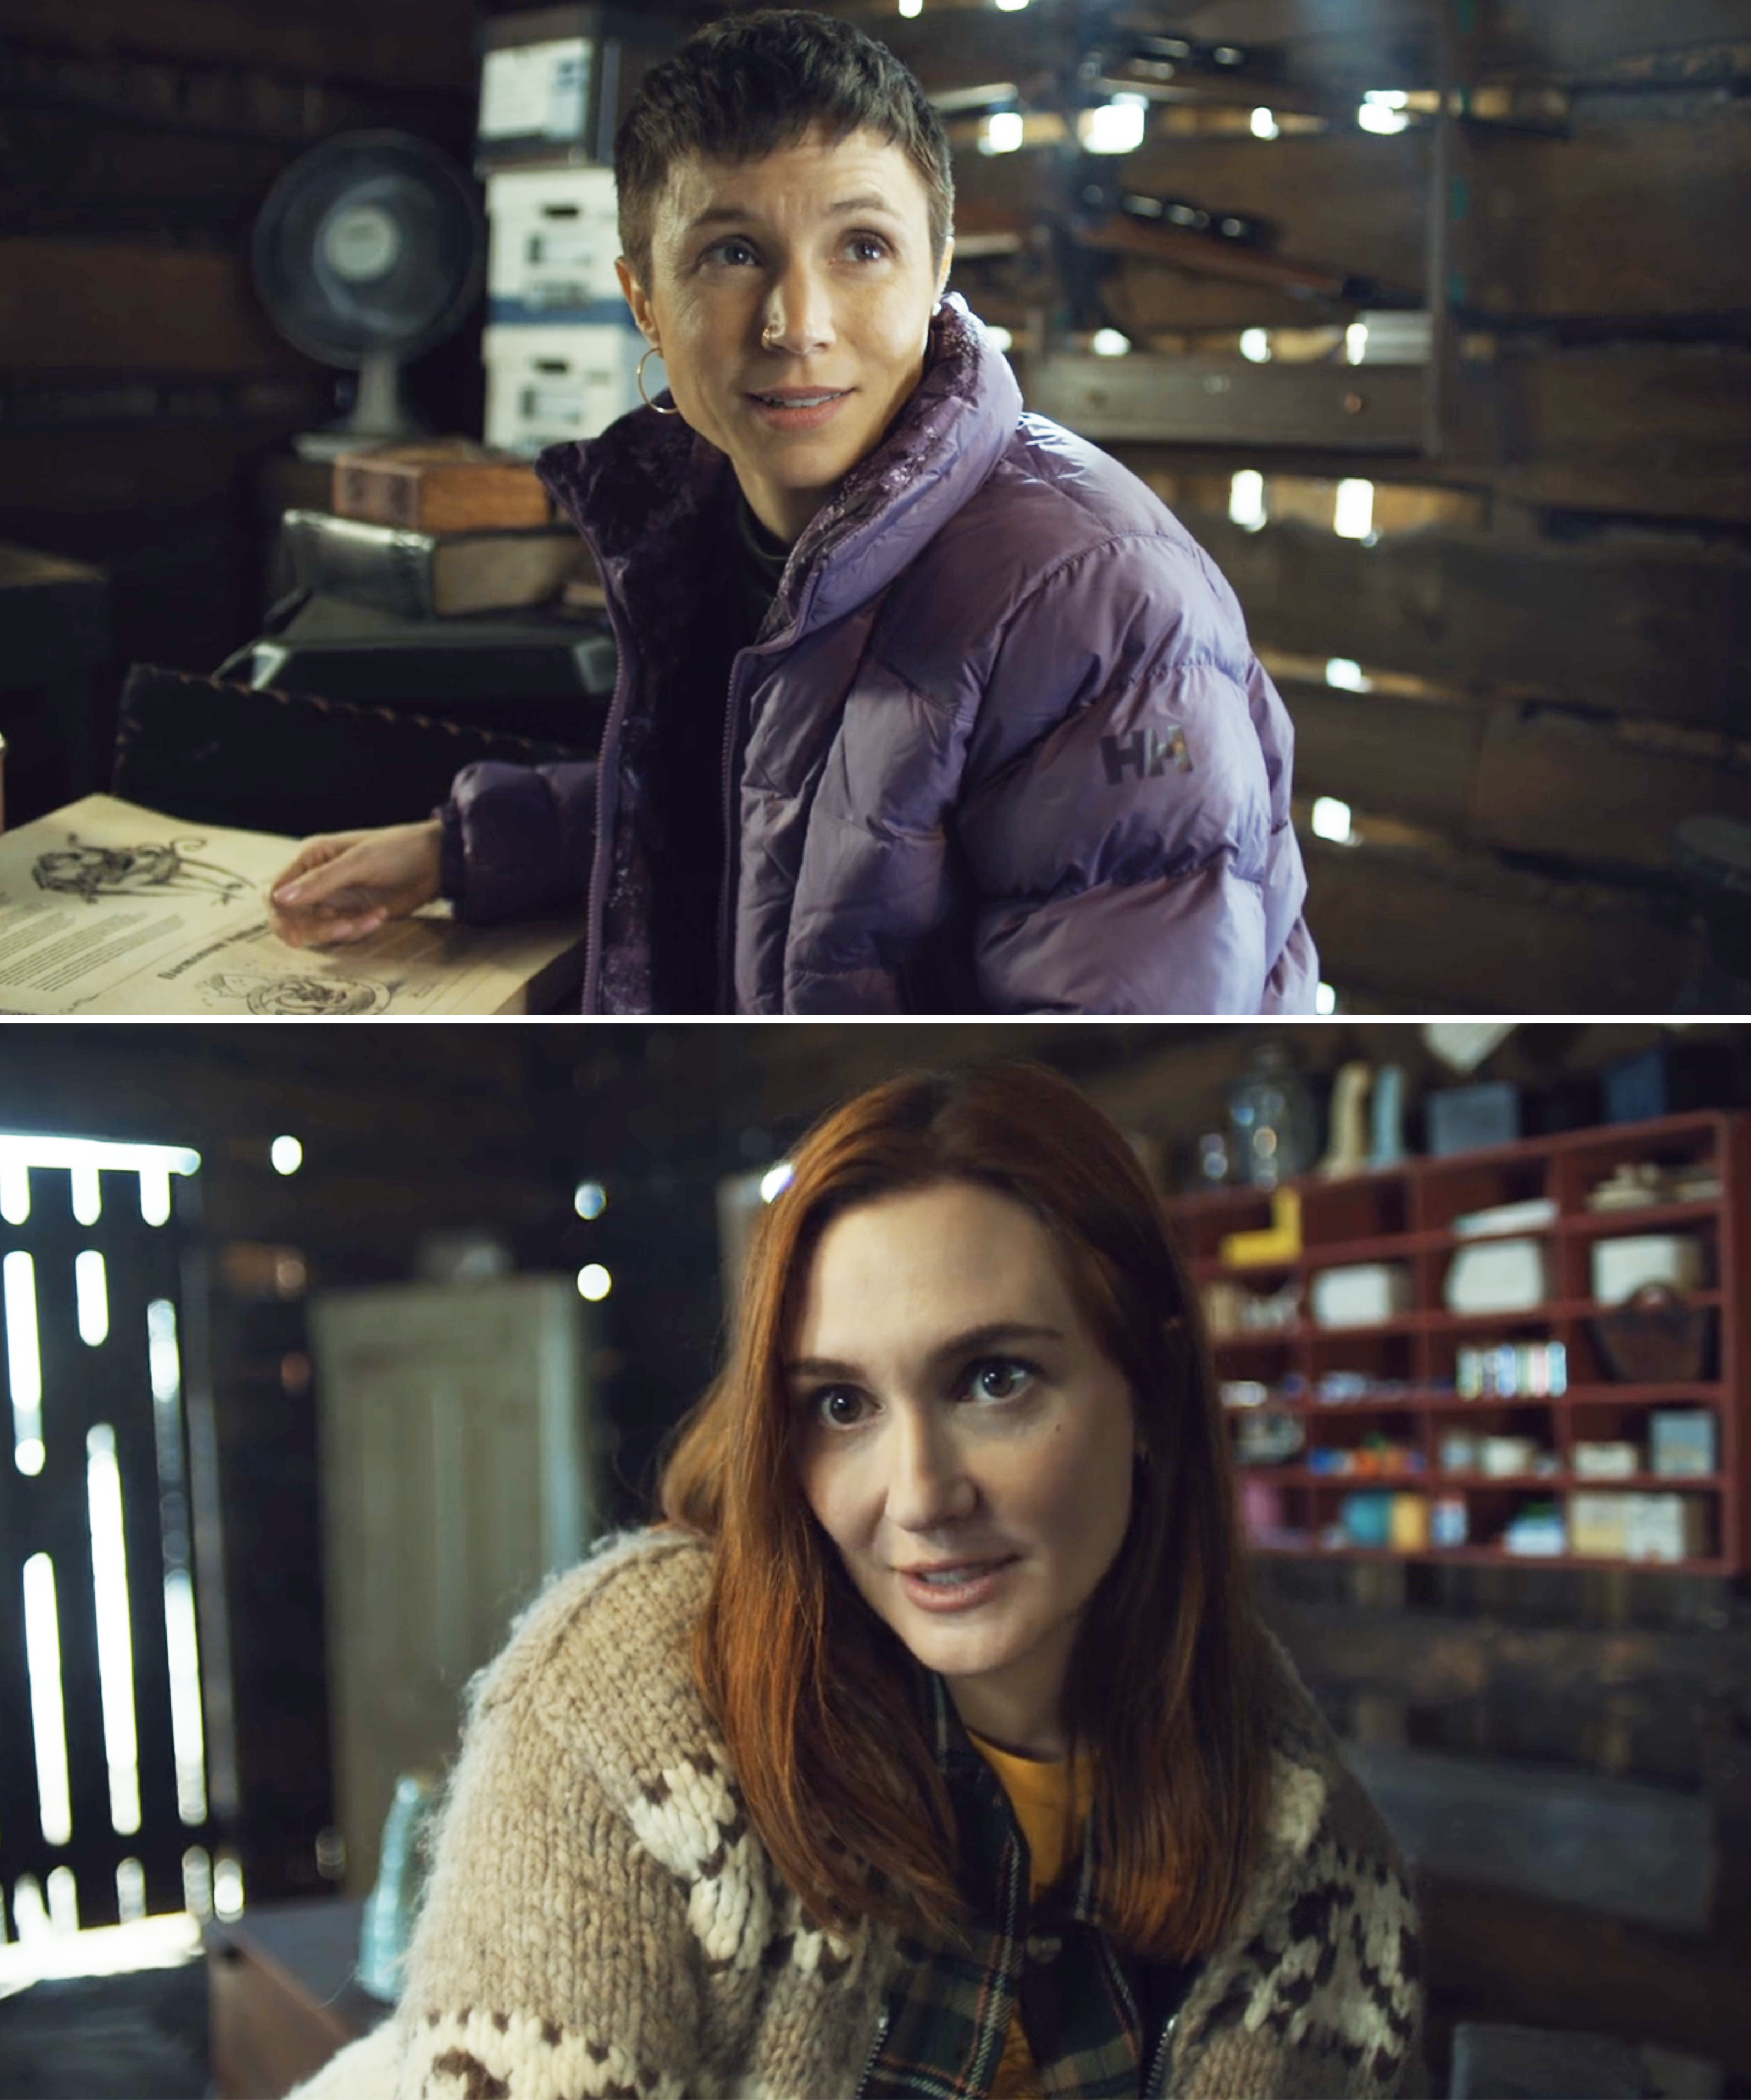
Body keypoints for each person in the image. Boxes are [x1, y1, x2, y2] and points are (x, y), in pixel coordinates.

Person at [292, 1060, 1422, 2100]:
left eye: (993, 1379)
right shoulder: (628, 1707)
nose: (920, 1495)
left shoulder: (1291, 1817)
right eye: (840, 1405)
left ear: (1155, 1387)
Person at [267, 11, 1317, 1015]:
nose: (795, 323)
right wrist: (468, 845)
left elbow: (1097, 1048)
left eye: (862, 247)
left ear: (939, 273)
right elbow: (783, 797)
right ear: (643, 298)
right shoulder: (720, 513)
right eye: (731, 253)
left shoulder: (1099, 611)